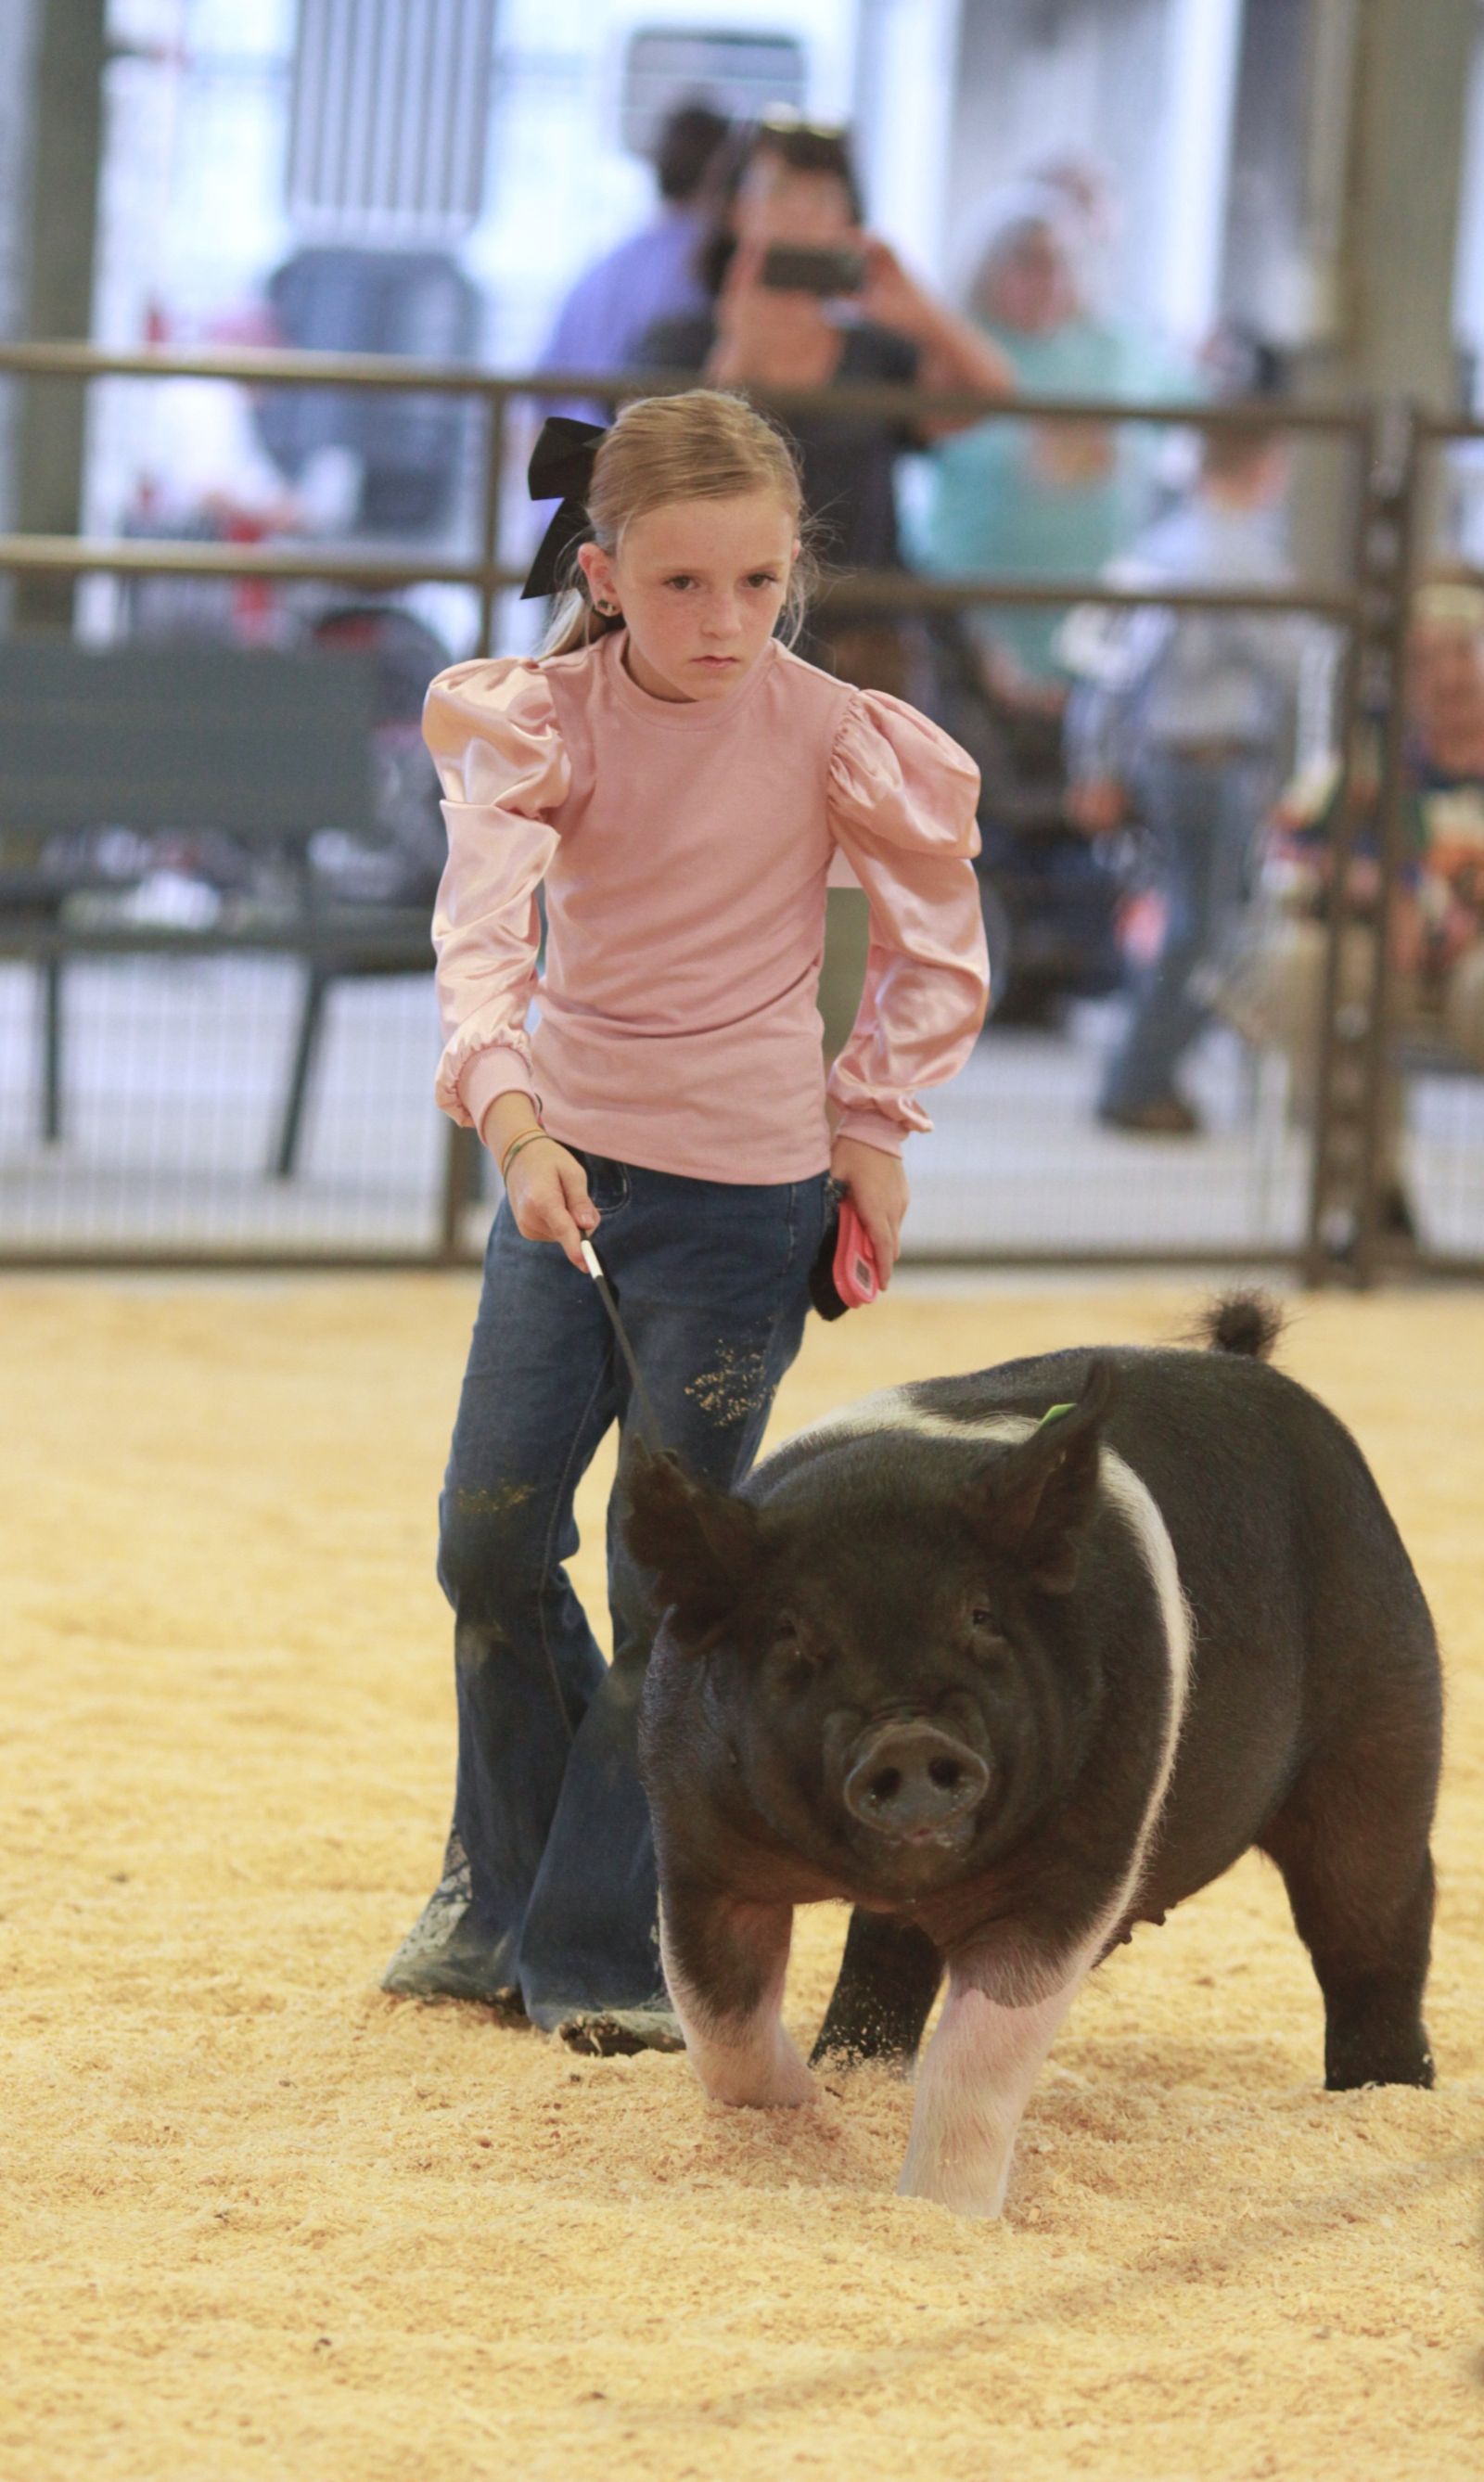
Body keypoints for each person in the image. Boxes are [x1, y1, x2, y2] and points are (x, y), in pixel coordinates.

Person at [380, 389, 990, 2048]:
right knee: (488, 1543)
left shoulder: (834, 732)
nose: (724, 624)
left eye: (758, 584)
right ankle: (505, 1886)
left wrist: (872, 1126)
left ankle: (600, 1943)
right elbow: (481, 939)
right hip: (560, 1180)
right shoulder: (542, 725)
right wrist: (513, 1121)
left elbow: (939, 946)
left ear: (792, 576)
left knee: (672, 1586)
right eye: (679, 587)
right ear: (603, 573)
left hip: (745, 1202)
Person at [635, 113, 1014, 694]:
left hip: (862, 643)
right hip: (718, 633)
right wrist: (739, 350)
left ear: (849, 219)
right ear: (738, 209)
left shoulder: (876, 353)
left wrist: (920, 312)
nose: (801, 213)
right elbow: (662, 475)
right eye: (779, 192)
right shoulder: (674, 345)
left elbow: (991, 397)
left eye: (824, 197)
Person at [1061, 396, 1318, 1135]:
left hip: (1162, 760)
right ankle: (1136, 1080)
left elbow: (1111, 667)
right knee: (1204, 931)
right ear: (1266, 465)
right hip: (1213, 761)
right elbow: (1294, 659)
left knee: (1192, 922)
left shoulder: (1163, 543)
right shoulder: (1240, 555)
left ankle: (1149, 1075)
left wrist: (1097, 762)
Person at [1221, 582, 1484, 1236]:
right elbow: (1286, 857)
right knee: (1306, 965)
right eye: (1424, 661)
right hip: (1383, 954)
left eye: (1463, 653)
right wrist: (1378, 888)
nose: (1448, 675)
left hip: (1472, 967)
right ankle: (1371, 1201)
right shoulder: (1366, 758)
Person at [911, 180, 1197, 711]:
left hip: (1097, 626)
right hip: (973, 622)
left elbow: (1194, 413)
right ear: (989, 266)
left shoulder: (1117, 345)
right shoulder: (961, 344)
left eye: (1059, 262)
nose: (1044, 281)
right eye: (1025, 262)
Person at [538, 100, 731, 380]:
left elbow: (537, 392)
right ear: (720, 174)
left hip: (573, 421)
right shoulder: (706, 269)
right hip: (646, 422)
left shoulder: (605, 266)